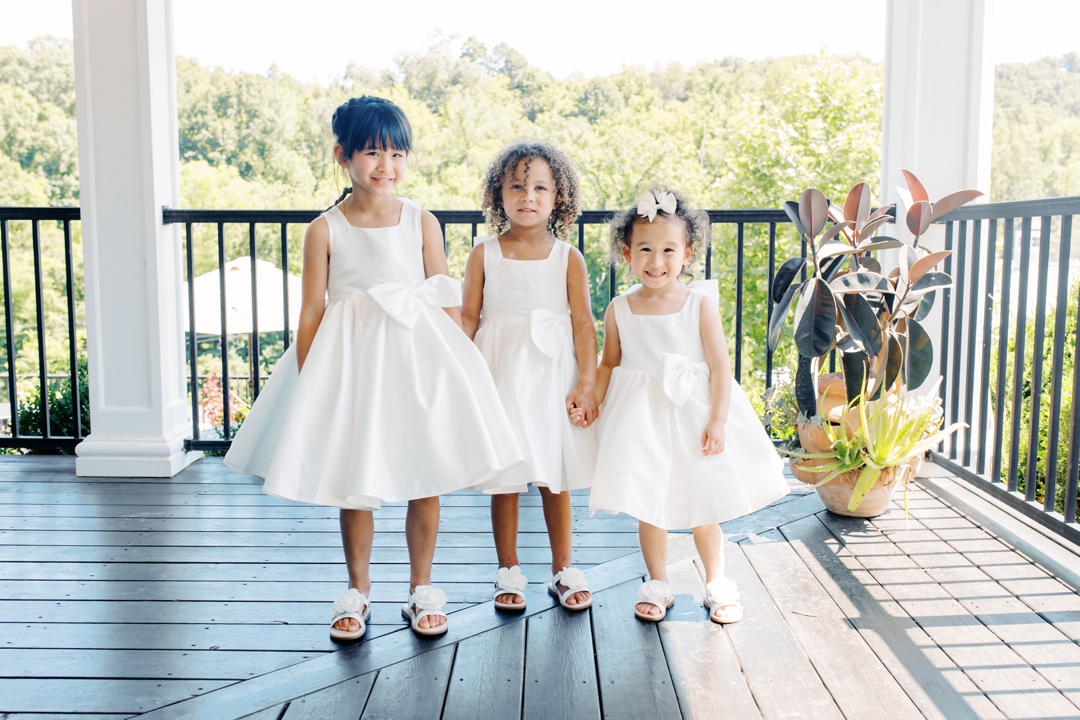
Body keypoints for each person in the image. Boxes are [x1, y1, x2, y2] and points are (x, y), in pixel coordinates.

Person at [224, 96, 523, 640]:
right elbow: (312, 310)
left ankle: (421, 587)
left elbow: (443, 297)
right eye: (373, 152)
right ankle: (358, 590)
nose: (386, 165)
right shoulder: (325, 229)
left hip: (415, 359)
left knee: (424, 472)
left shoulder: (422, 221)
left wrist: (462, 365)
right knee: (354, 480)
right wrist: (315, 381)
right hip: (354, 367)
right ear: (343, 156)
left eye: (397, 153)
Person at [585, 187, 789, 623]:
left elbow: (719, 366)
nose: (656, 261)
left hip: (692, 413)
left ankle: (716, 582)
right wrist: (593, 400)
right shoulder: (619, 308)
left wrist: (717, 419)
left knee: (703, 500)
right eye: (645, 250)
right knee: (648, 500)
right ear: (627, 253)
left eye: (667, 250)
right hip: (641, 418)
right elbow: (610, 363)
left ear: (687, 254)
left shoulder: (698, 304)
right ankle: (658, 582)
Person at [461, 142, 598, 612]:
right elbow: (469, 318)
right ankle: (509, 569)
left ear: (558, 196)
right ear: (498, 194)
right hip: (499, 371)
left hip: (552, 374)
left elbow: (583, 323)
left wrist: (586, 382)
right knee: (507, 475)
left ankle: (563, 568)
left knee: (553, 476)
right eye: (517, 186)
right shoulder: (484, 254)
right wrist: (454, 371)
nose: (528, 196)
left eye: (540, 187)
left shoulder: (568, 257)